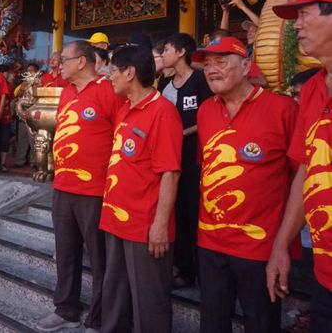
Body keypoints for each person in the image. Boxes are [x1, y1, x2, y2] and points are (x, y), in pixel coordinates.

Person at [190, 37, 297, 333]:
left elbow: (300, 178)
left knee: (261, 323)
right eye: (207, 64)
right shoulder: (206, 111)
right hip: (210, 243)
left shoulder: (283, 109)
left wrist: (284, 243)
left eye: (221, 62)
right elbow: (207, 168)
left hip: (260, 247)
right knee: (212, 323)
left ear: (246, 66)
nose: (211, 70)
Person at [36, 41, 126, 332]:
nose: (58, 64)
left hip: (96, 191)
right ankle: (66, 310)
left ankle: (99, 318)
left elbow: (121, 138)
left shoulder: (108, 90)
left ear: (83, 62)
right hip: (63, 186)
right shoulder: (68, 93)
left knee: (100, 259)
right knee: (66, 252)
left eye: (64, 59)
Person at [100, 44, 182, 333]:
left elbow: (170, 174)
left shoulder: (163, 113)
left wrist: (160, 225)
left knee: (150, 301)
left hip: (143, 225)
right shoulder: (125, 110)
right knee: (115, 293)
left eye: (113, 71)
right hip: (115, 220)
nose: (109, 77)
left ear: (130, 72)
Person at [266, 0, 332, 332]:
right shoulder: (311, 91)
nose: (297, 26)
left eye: (305, 14)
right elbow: (306, 169)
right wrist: (282, 245)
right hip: (326, 275)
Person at [157, 33, 213, 288]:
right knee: (176, 213)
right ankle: (184, 269)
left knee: (194, 214)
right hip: (171, 158)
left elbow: (208, 116)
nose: (163, 54)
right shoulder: (164, 85)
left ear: (180, 52)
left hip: (194, 159)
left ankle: (205, 274)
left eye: (166, 49)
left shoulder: (200, 80)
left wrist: (180, 133)